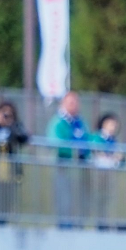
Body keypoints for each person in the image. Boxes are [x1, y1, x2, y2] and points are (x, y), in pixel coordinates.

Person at [0, 101, 29, 224]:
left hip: (11, 173)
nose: (6, 117)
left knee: (6, 205)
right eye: (4, 113)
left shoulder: (15, 127)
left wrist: (11, 126)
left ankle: (3, 225)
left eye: (9, 114)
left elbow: (24, 138)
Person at [49, 91, 89, 227]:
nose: (74, 105)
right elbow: (55, 143)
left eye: (76, 102)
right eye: (71, 102)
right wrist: (74, 151)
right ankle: (64, 227)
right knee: (64, 200)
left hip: (79, 171)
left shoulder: (80, 123)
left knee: (78, 201)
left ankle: (77, 226)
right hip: (63, 169)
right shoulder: (58, 122)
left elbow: (87, 141)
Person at [91, 113, 124, 229]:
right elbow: (96, 153)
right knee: (98, 199)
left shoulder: (114, 141)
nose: (113, 127)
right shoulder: (96, 137)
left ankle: (106, 223)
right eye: (110, 124)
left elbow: (119, 157)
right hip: (98, 173)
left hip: (110, 174)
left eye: (115, 125)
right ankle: (98, 223)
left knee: (108, 199)